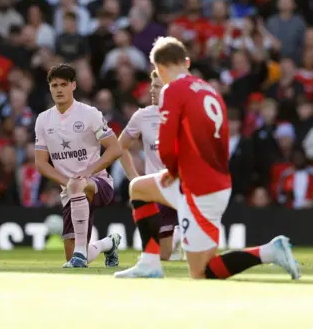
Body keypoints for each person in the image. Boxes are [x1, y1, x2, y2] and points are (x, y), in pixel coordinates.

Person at [115, 37, 300, 280]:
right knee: (138, 188)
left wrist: (172, 170)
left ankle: (269, 252)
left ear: (159, 68)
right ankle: (150, 262)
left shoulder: (173, 90)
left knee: (201, 272)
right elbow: (222, 142)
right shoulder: (209, 90)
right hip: (209, 181)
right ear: (187, 62)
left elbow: (167, 146)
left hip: (197, 189)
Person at [34, 64, 123, 268]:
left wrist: (87, 173)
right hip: (70, 191)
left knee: (78, 186)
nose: (59, 89)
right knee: (69, 257)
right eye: (54, 85)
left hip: (98, 183)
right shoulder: (43, 120)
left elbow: (115, 149)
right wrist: (68, 182)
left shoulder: (90, 114)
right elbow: (41, 163)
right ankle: (108, 244)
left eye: (63, 84)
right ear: (49, 88)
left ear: (73, 85)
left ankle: (80, 254)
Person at [119, 70, 183, 261]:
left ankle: (178, 237)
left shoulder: (183, 115)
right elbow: (120, 147)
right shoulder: (142, 116)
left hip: (180, 187)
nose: (151, 90)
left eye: (157, 86)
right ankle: (176, 238)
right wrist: (134, 179)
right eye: (152, 85)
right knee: (162, 255)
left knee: (160, 255)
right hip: (156, 190)